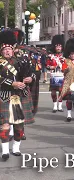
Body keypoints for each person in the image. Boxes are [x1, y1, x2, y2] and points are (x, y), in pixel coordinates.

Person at [0, 30, 31, 160]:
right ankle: (5, 151)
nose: (7, 51)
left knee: (19, 125)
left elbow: (29, 75)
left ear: (13, 50)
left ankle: (16, 148)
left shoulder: (19, 62)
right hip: (4, 95)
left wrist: (30, 79)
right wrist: (12, 84)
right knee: (5, 125)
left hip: (18, 96)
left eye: (9, 49)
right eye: (5, 49)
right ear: (1, 51)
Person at [59, 38, 74, 122]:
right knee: (69, 100)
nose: (73, 55)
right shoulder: (65, 61)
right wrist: (67, 69)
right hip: (68, 82)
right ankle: (69, 114)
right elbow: (63, 71)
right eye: (71, 54)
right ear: (69, 54)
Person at [46, 35, 65, 112]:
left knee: (61, 91)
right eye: (57, 46)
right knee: (53, 92)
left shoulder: (64, 56)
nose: (58, 48)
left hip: (62, 75)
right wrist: (51, 67)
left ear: (62, 47)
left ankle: (60, 106)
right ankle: (54, 105)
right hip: (53, 75)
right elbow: (47, 65)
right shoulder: (51, 56)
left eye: (59, 46)